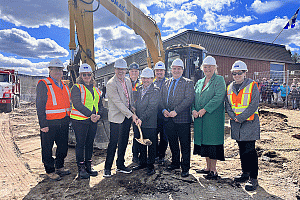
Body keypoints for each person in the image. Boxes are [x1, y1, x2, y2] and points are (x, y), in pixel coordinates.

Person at [225, 60, 260, 191]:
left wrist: (240, 117)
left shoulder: (252, 85)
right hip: (237, 124)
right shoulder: (229, 87)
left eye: (240, 73)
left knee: (250, 151)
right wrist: (233, 116)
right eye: (234, 73)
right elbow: (227, 104)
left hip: (249, 123)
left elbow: (254, 104)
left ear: (245, 73)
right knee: (241, 150)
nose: (237, 75)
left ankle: (254, 179)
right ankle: (245, 173)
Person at [36, 58, 71, 181]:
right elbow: (40, 105)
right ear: (50, 71)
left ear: (63, 72)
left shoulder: (65, 86)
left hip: (63, 122)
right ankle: (50, 170)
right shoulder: (44, 84)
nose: (57, 72)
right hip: (49, 122)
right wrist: (43, 124)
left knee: (62, 147)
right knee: (47, 147)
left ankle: (59, 166)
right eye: (54, 69)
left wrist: (69, 119)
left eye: (60, 69)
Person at [192, 56, 226, 180]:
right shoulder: (200, 82)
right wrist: (193, 110)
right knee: (205, 143)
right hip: (200, 119)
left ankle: (213, 170)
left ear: (215, 68)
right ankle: (207, 167)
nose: (207, 69)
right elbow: (193, 97)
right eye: (205, 67)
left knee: (212, 144)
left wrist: (205, 109)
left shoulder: (219, 80)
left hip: (212, 119)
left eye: (210, 67)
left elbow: (218, 97)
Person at [103, 58, 138, 177]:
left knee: (123, 142)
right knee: (113, 143)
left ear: (125, 70)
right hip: (117, 118)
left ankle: (120, 165)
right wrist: (131, 114)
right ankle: (107, 168)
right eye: (118, 69)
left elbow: (130, 97)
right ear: (115, 70)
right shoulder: (111, 83)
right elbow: (118, 103)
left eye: (123, 69)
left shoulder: (128, 81)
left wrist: (133, 108)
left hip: (127, 117)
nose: (121, 71)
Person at [160, 58, 194, 177]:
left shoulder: (188, 82)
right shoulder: (166, 83)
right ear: (171, 70)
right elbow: (162, 99)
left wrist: (176, 111)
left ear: (182, 70)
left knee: (184, 144)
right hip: (168, 119)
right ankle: (175, 163)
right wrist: (164, 110)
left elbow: (188, 99)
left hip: (182, 119)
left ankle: (185, 167)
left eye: (178, 69)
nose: (176, 71)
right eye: (174, 68)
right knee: (173, 142)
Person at [70, 63, 104, 179]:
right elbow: (77, 104)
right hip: (79, 121)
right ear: (80, 75)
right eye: (84, 74)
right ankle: (81, 168)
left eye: (88, 74)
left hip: (92, 120)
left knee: (90, 143)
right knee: (81, 144)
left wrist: (98, 115)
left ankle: (89, 165)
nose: (86, 76)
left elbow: (99, 105)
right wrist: (91, 115)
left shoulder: (96, 89)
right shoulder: (76, 88)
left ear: (91, 75)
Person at [132, 68, 160, 175]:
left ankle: (151, 165)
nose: (146, 80)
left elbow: (151, 108)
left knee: (151, 144)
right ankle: (142, 162)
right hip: (139, 122)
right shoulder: (138, 89)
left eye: (148, 78)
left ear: (152, 79)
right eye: (144, 78)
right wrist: (134, 109)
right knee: (141, 142)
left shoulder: (155, 90)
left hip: (149, 123)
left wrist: (141, 118)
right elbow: (136, 103)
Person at [153, 61, 168, 165]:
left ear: (164, 71)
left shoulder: (168, 82)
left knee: (164, 137)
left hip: (165, 114)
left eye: (161, 70)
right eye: (157, 70)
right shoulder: (151, 83)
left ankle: (161, 155)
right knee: (153, 136)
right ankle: (154, 154)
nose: (159, 72)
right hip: (154, 115)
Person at [128, 62, 142, 164]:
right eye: (132, 71)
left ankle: (136, 155)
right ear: (129, 72)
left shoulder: (141, 83)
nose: (134, 73)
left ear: (138, 72)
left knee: (137, 134)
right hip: (127, 112)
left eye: (136, 71)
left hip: (137, 113)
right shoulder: (126, 83)